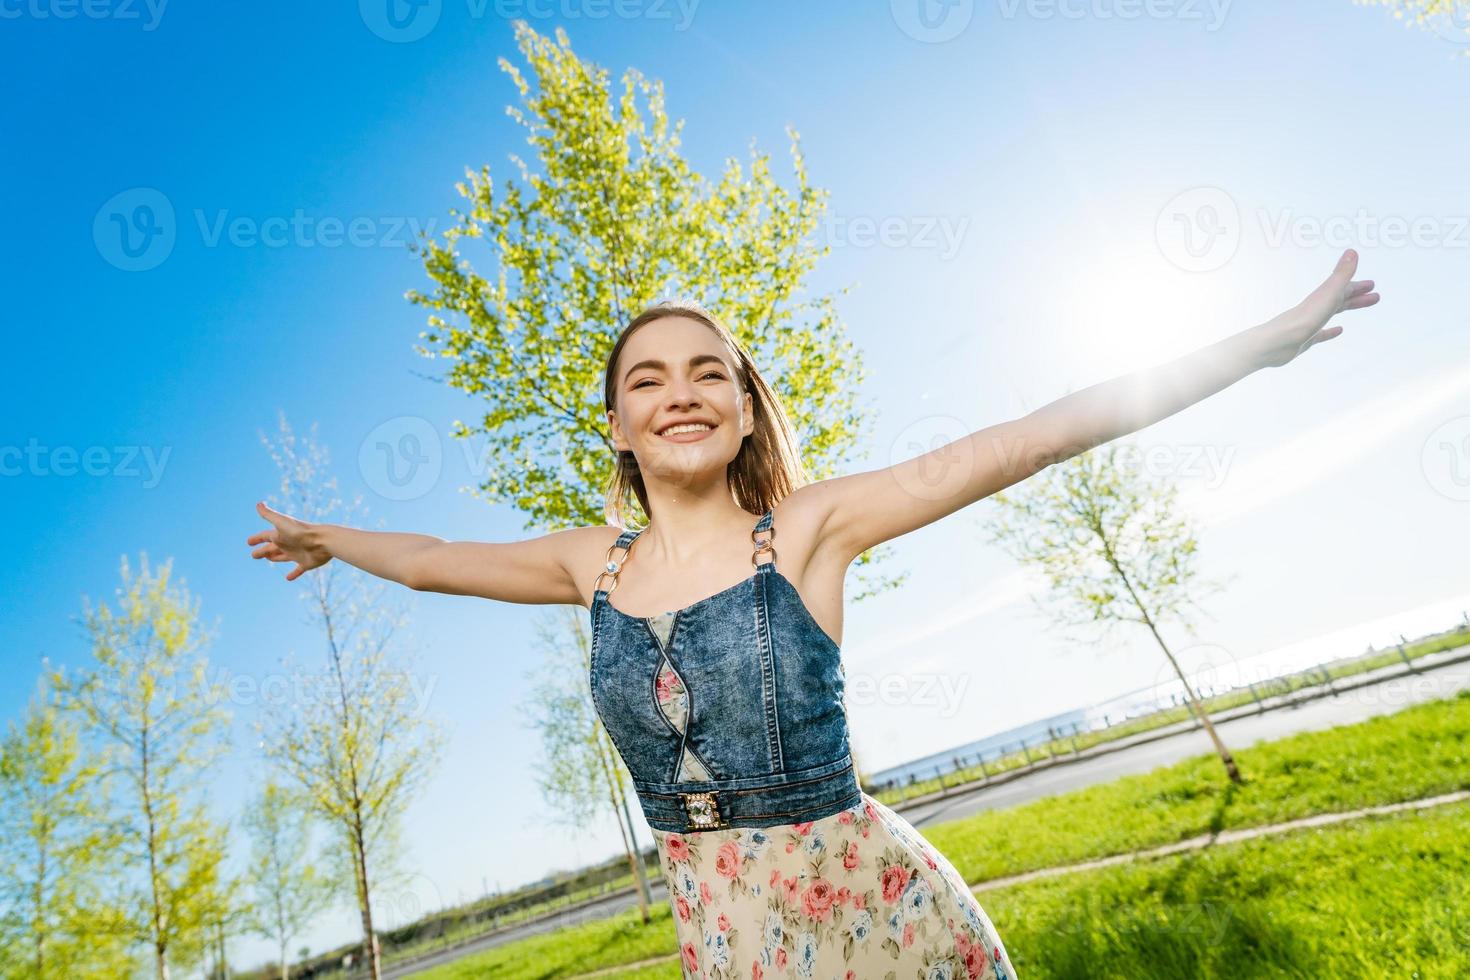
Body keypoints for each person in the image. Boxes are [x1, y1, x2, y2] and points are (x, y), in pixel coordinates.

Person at [247, 249, 1378, 978]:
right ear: (616, 429)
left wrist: (1257, 345)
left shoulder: (806, 531)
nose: (678, 390)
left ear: (743, 411)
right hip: (728, 940)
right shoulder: (589, 564)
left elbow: (1033, 435)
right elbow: (435, 557)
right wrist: (323, 538)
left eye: (707, 372)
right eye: (645, 378)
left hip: (875, 917)